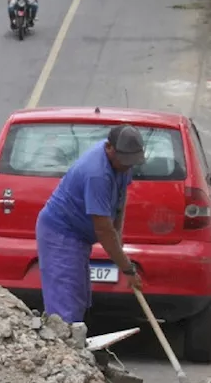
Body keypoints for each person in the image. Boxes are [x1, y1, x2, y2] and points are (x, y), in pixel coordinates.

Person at [35, 124, 146, 325]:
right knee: (65, 304)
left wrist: (118, 240)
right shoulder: (97, 174)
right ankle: (64, 352)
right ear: (109, 148)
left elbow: (119, 203)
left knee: (80, 297)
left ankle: (76, 348)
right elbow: (103, 229)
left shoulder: (122, 164)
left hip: (79, 235)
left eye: (131, 162)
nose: (127, 166)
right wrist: (127, 268)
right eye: (125, 161)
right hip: (61, 233)